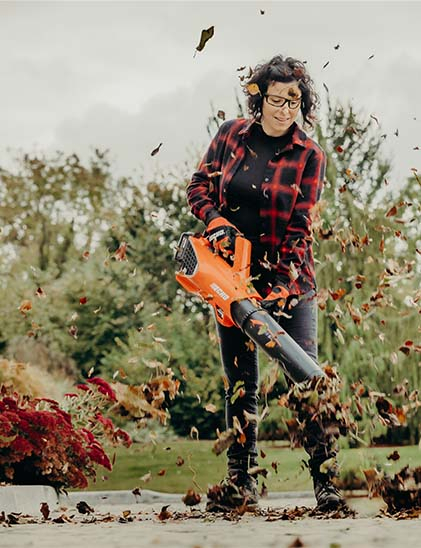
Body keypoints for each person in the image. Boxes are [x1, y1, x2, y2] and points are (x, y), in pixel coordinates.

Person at [186, 54, 343, 511]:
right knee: (241, 382)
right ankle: (242, 482)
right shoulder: (229, 136)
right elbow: (198, 187)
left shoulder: (310, 155)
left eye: (293, 100)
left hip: (289, 279)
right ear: (259, 98)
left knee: (306, 376)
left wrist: (277, 286)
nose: (283, 108)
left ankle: (326, 483)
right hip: (230, 278)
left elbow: (299, 227)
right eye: (275, 99)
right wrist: (214, 221)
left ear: (302, 103)